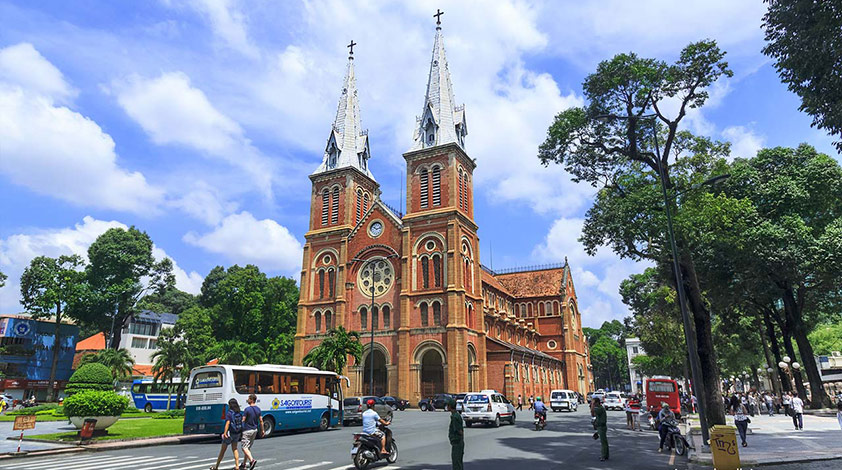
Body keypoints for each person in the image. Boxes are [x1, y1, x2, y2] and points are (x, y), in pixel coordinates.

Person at [211, 398, 242, 470]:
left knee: (222, 451)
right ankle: (237, 466)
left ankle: (216, 466)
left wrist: (225, 433)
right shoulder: (238, 412)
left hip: (230, 433)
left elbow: (227, 423)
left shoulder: (229, 413)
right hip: (237, 432)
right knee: (235, 449)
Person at [240, 394, 263, 470]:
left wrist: (241, 429)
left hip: (247, 430)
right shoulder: (258, 409)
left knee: (244, 447)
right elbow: (261, 421)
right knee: (248, 447)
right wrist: (262, 430)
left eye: (249, 399)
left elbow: (243, 420)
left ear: (252, 400)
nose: (247, 400)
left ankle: (252, 460)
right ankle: (243, 464)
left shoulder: (247, 409)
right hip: (255, 430)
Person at [447, 399, 464, 470]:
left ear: (450, 406)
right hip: (458, 442)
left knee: (456, 463)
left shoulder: (455, 417)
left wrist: (457, 439)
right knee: (458, 462)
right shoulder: (456, 415)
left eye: (448, 405)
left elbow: (459, 430)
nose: (447, 407)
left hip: (457, 443)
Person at [592, 397, 608, 461]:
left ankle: (603, 455)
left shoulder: (600, 409)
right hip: (600, 426)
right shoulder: (600, 408)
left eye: (594, 403)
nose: (594, 404)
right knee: (604, 441)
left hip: (601, 426)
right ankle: (606, 455)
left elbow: (592, 411)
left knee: (603, 442)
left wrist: (592, 405)